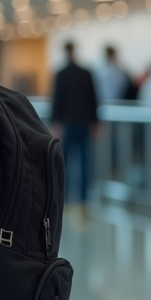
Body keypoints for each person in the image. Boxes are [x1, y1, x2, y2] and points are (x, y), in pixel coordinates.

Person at [51, 41, 99, 210]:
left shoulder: (61, 74)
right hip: (84, 123)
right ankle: (83, 199)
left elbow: (57, 100)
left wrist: (55, 122)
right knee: (85, 163)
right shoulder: (86, 73)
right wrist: (95, 121)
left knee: (65, 163)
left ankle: (65, 197)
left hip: (68, 124)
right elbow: (93, 99)